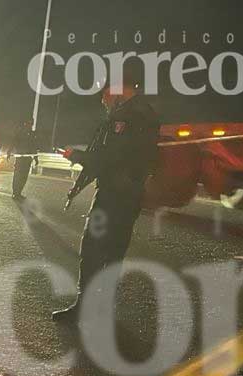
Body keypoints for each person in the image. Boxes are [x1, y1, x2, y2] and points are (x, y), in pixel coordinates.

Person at [53, 72, 159, 322]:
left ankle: (85, 308)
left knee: (92, 249)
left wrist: (75, 156)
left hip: (114, 193)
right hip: (130, 193)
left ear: (118, 88)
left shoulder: (127, 116)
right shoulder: (147, 113)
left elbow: (109, 157)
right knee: (113, 251)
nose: (103, 98)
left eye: (105, 92)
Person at [11, 122, 37, 199]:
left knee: (24, 177)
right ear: (25, 125)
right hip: (20, 158)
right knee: (17, 176)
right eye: (28, 124)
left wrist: (36, 158)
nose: (29, 126)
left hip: (28, 159)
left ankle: (19, 193)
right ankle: (15, 193)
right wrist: (9, 151)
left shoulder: (32, 135)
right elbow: (13, 142)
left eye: (31, 125)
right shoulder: (20, 133)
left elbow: (34, 147)